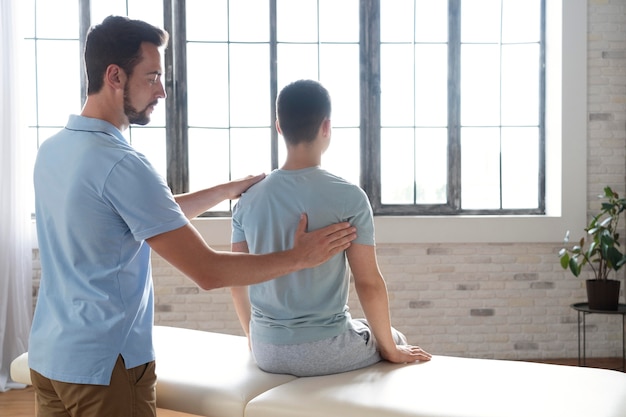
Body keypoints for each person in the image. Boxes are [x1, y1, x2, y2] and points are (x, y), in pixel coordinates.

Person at [29, 17, 356, 417]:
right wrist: (300, 258)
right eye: (152, 77)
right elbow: (208, 271)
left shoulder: (55, 149)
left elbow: (137, 216)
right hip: (104, 365)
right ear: (115, 76)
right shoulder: (122, 163)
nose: (162, 91)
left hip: (50, 358)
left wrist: (222, 191)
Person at [230, 79, 432, 377]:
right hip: (323, 349)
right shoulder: (348, 196)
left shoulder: (247, 198)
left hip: (265, 348)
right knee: (394, 337)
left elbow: (237, 280)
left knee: (364, 326)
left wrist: (255, 340)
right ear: (326, 127)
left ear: (279, 127)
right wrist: (390, 349)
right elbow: (369, 283)